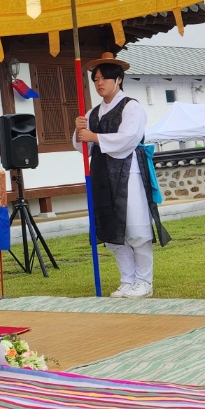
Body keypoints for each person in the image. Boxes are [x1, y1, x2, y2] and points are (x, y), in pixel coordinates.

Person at [74, 52, 169, 297]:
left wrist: (94, 136)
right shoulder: (93, 113)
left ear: (119, 80)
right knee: (112, 229)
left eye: (104, 78)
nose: (99, 83)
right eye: (95, 80)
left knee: (135, 228)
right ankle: (127, 280)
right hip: (102, 173)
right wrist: (80, 131)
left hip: (130, 173)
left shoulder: (132, 107)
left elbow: (128, 139)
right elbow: (83, 146)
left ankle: (144, 282)